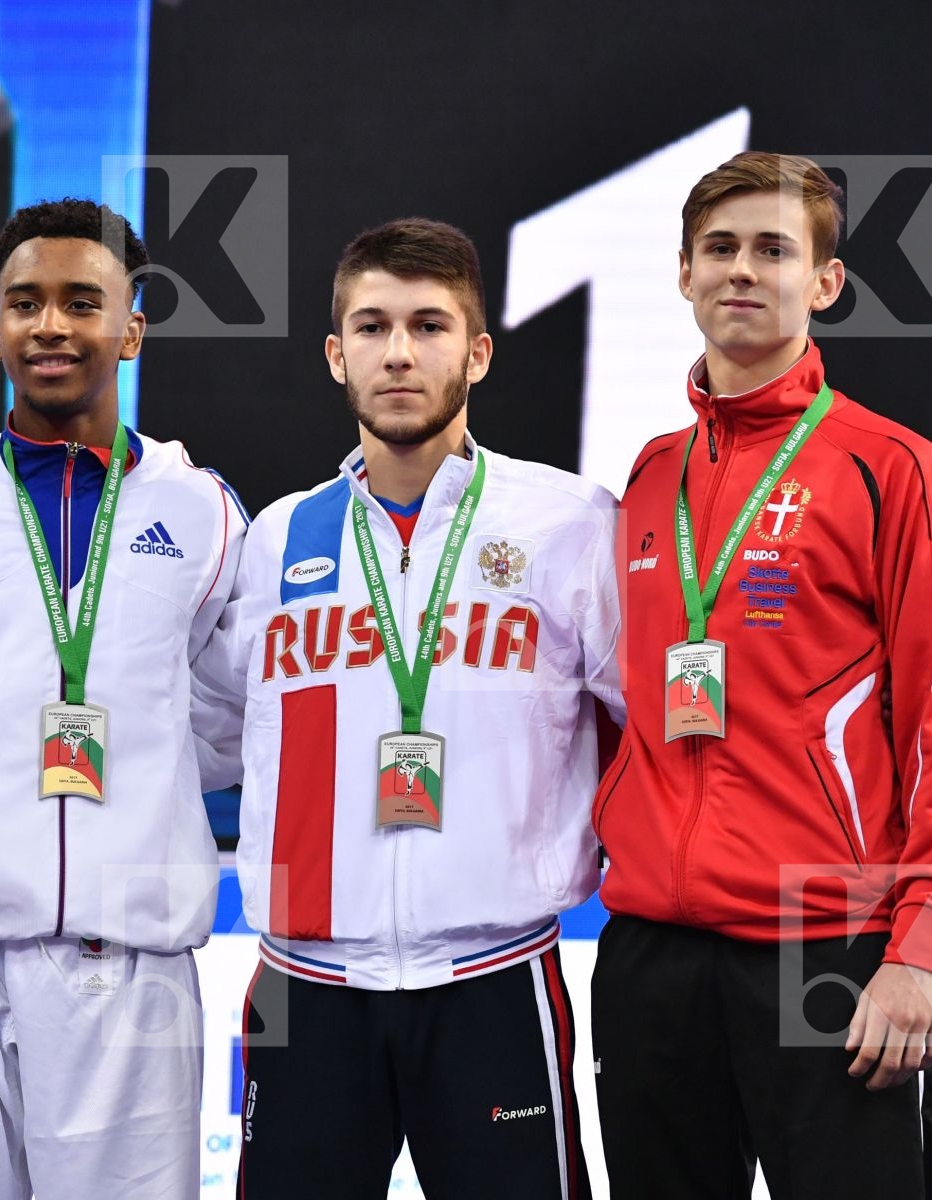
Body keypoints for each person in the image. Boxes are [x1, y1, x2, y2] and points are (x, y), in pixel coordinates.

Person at [590, 151, 932, 1199]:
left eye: (773, 249)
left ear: (824, 282)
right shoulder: (649, 476)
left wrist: (926, 943)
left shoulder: (891, 467)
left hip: (831, 947)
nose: (742, 269)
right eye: (719, 248)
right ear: (683, 272)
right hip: (650, 955)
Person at [195, 217, 622, 1199]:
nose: (398, 352)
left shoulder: (567, 524)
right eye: (372, 326)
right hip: (307, 985)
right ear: (335, 354)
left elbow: (648, 730)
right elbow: (212, 734)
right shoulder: (276, 539)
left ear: (477, 352)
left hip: (495, 977)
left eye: (429, 325)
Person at [0, 198, 247, 1200]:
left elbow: (228, 717)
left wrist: (137, 793)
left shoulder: (203, 511)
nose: (51, 326)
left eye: (82, 302)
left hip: (131, 964)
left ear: (132, 328)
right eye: (25, 304)